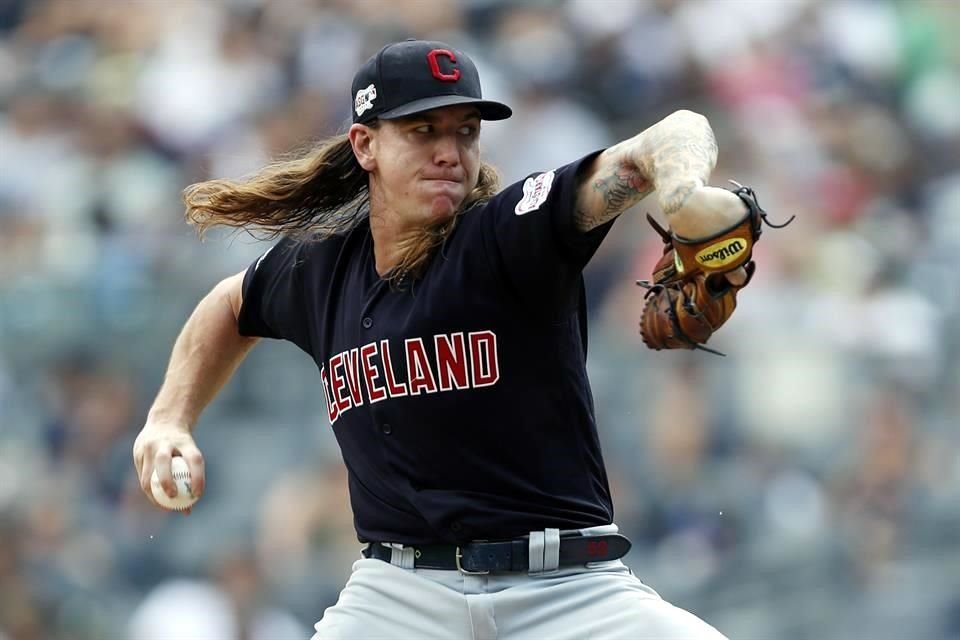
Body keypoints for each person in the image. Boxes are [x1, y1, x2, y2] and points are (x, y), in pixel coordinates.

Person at [133, 39, 752, 639]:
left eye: (465, 131)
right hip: (399, 597)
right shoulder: (321, 270)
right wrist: (168, 418)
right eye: (423, 130)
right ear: (364, 144)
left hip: (568, 592)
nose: (450, 151)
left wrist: (682, 193)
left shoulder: (508, 234)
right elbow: (230, 303)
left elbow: (674, 134)